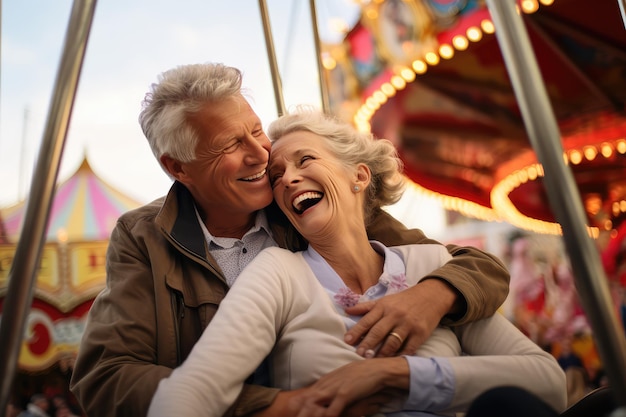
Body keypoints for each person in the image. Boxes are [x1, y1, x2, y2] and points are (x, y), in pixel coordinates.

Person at [70, 63, 511, 417]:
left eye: (256, 130)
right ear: (178, 168)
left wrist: (435, 293)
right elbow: (107, 376)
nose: (261, 154)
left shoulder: (302, 203)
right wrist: (271, 405)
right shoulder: (143, 236)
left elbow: (472, 267)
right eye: (229, 144)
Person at [146, 108, 567, 417]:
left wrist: (395, 374)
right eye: (276, 176)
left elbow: (547, 382)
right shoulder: (280, 273)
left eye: (305, 160)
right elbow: (193, 389)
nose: (288, 178)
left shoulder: (432, 267)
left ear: (359, 177)